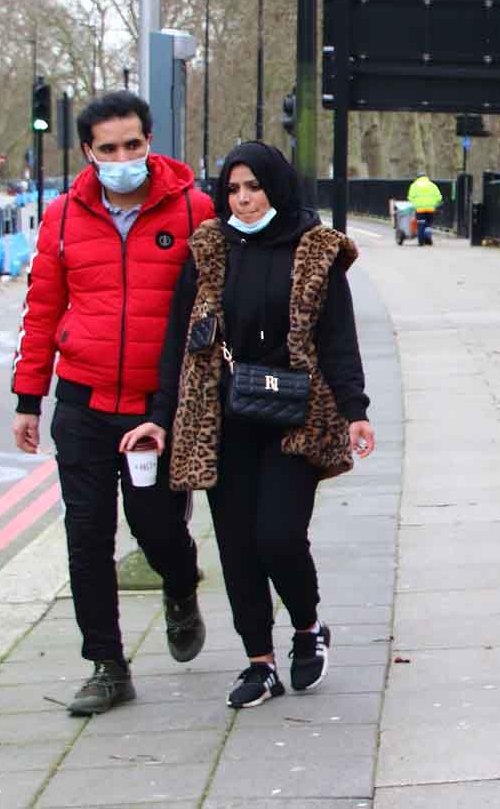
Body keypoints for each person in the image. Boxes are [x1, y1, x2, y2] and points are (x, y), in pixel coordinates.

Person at [122, 142, 375, 709]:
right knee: (237, 546)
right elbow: (177, 348)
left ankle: (308, 628)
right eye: (233, 189)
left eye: (254, 187)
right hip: (226, 419)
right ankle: (259, 661)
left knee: (279, 537)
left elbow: (338, 339)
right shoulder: (210, 249)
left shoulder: (317, 252)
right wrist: (160, 419)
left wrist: (356, 411)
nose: (244, 198)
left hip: (296, 417)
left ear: (276, 188)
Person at [9, 90, 212, 716]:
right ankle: (106, 664)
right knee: (86, 535)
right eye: (109, 148)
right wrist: (28, 396)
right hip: (83, 403)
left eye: (134, 145)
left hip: (158, 406)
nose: (123, 157)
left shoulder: (193, 210)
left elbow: (212, 309)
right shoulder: (64, 217)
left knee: (157, 531)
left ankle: (180, 586)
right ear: (88, 152)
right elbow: (43, 310)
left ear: (149, 142)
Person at [405, 173, 442, 246]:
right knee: (428, 223)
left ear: (417, 178)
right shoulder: (432, 185)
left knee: (420, 223)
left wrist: (414, 203)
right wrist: (434, 203)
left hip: (420, 209)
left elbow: (410, 197)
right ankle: (428, 235)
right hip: (430, 208)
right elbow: (439, 197)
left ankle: (421, 241)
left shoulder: (414, 185)